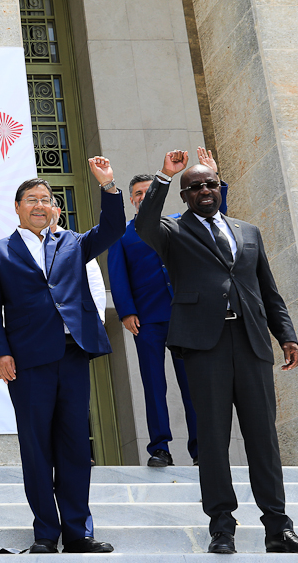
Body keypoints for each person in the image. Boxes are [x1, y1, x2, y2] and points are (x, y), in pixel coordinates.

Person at [135, 150, 298, 555]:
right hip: (205, 346)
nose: (203, 191)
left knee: (263, 439)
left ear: (220, 188)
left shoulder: (247, 231)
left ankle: (277, 528)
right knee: (214, 439)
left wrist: (285, 334)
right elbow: (143, 223)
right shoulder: (172, 232)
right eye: (194, 186)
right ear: (184, 196)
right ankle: (222, 527)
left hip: (251, 343)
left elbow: (267, 289)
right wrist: (166, 175)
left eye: (209, 184)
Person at [0, 158, 124, 554]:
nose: (40, 205)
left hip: (72, 354)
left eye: (47, 200)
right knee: (36, 447)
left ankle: (78, 533)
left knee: (75, 445)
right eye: (32, 200)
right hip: (27, 363)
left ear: (56, 209)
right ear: (18, 207)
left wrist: (108, 185)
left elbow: (113, 228)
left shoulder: (74, 244)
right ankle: (46, 532)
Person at [107, 147, 226, 468]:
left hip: (184, 317)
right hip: (146, 320)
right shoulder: (123, 235)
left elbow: (217, 218)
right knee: (153, 385)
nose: (143, 197)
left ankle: (201, 450)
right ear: (132, 200)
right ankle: (159, 448)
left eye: (148, 192)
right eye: (137, 194)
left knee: (193, 386)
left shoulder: (181, 223)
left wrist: (217, 180)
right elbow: (117, 276)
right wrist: (126, 311)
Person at [0, 198, 106, 322]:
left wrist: (98, 317)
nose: (43, 208)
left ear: (58, 211)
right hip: (33, 330)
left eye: (49, 203)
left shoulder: (75, 243)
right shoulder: (16, 244)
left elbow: (94, 282)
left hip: (75, 329)